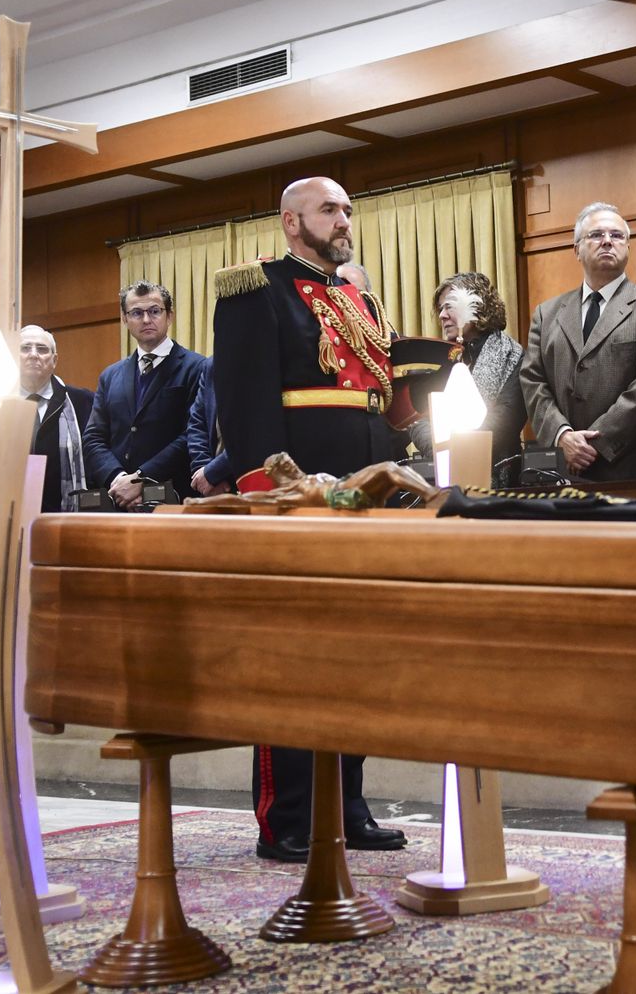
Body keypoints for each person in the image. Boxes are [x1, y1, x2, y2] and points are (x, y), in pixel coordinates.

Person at [211, 176, 407, 860]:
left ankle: (347, 805)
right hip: (300, 497)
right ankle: (288, 815)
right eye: (329, 209)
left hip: (365, 496)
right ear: (292, 222)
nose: (344, 219)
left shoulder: (358, 296)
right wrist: (273, 494)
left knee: (357, 657)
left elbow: (379, 398)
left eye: (348, 208)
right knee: (293, 657)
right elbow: (243, 406)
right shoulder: (255, 288)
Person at [520, 201, 636, 480]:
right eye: (596, 235)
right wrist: (562, 435)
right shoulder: (547, 314)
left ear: (627, 246)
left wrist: (592, 445)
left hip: (632, 469)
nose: (607, 241)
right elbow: (533, 380)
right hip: (563, 470)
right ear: (576, 249)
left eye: (617, 235)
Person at [83, 281, 208, 506]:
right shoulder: (110, 376)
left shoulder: (197, 367)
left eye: (155, 311)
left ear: (169, 316)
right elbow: (94, 438)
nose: (146, 319)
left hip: (175, 498)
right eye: (137, 313)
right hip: (118, 500)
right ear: (125, 319)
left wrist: (141, 479)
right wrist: (119, 479)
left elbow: (193, 434)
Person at [408, 272, 526, 485]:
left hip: (500, 476)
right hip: (443, 474)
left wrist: (461, 450)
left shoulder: (512, 355)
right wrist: (439, 448)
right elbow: (417, 417)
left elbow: (507, 418)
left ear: (477, 305)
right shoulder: (442, 359)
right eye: (441, 308)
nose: (442, 315)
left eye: (449, 306)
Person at [18, 324, 94, 514]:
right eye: (25, 348)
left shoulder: (83, 402)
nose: (33, 355)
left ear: (54, 360)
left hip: (65, 517)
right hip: (10, 515)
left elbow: (95, 455)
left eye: (42, 349)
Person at [186, 358, 233, 497]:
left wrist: (214, 472)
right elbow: (197, 423)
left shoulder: (267, 365)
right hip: (210, 486)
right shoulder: (212, 364)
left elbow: (259, 432)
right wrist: (204, 470)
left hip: (256, 482)